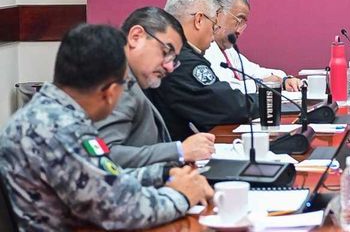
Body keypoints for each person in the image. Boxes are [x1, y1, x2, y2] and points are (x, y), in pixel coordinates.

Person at [0, 24, 212, 231]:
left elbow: (105, 178)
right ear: (110, 92)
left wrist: (164, 173)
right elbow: (122, 210)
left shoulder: (50, 112)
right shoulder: (62, 131)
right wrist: (182, 194)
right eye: (125, 83)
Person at [95, 7, 217, 168]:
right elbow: (104, 156)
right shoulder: (117, 85)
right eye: (166, 52)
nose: (169, 67)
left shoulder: (133, 78)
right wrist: (179, 151)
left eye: (173, 59)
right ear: (136, 37)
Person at [147, 0, 258, 139]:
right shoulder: (181, 60)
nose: (213, 35)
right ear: (199, 20)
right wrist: (270, 100)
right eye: (213, 25)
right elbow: (227, 106)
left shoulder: (174, 53)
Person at [204, 0, 302, 93]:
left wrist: (284, 80)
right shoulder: (204, 48)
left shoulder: (228, 50)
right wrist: (260, 85)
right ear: (217, 13)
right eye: (238, 21)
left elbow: (254, 71)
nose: (239, 31)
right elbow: (224, 88)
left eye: (243, 25)